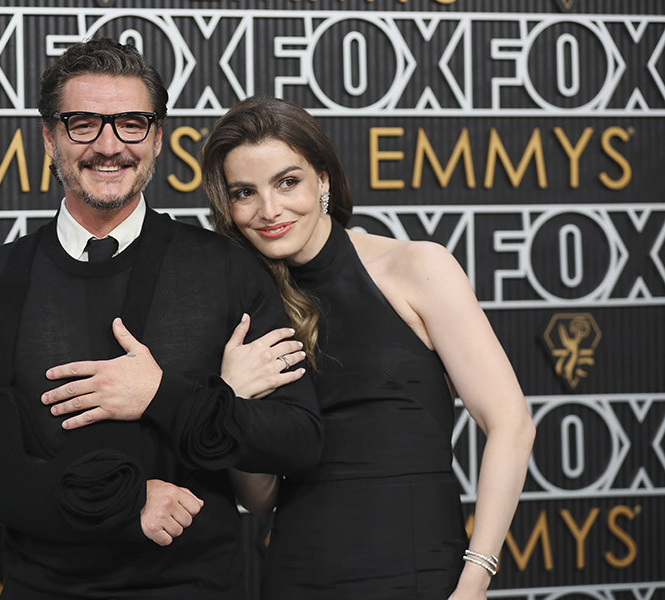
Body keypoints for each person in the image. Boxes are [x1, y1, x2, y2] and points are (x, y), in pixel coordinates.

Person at [0, 42, 321, 600]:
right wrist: (124, 503)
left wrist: (163, 396)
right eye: (83, 124)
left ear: (158, 138)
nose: (109, 146)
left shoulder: (224, 268)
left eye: (131, 124)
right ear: (49, 138)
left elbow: (300, 441)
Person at [199, 96, 536, 599]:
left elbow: (510, 423)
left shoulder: (417, 267)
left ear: (324, 181)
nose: (269, 210)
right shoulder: (241, 311)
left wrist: (475, 577)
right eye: (245, 192)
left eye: (287, 182)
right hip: (297, 576)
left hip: (420, 571)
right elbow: (261, 497)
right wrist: (232, 403)